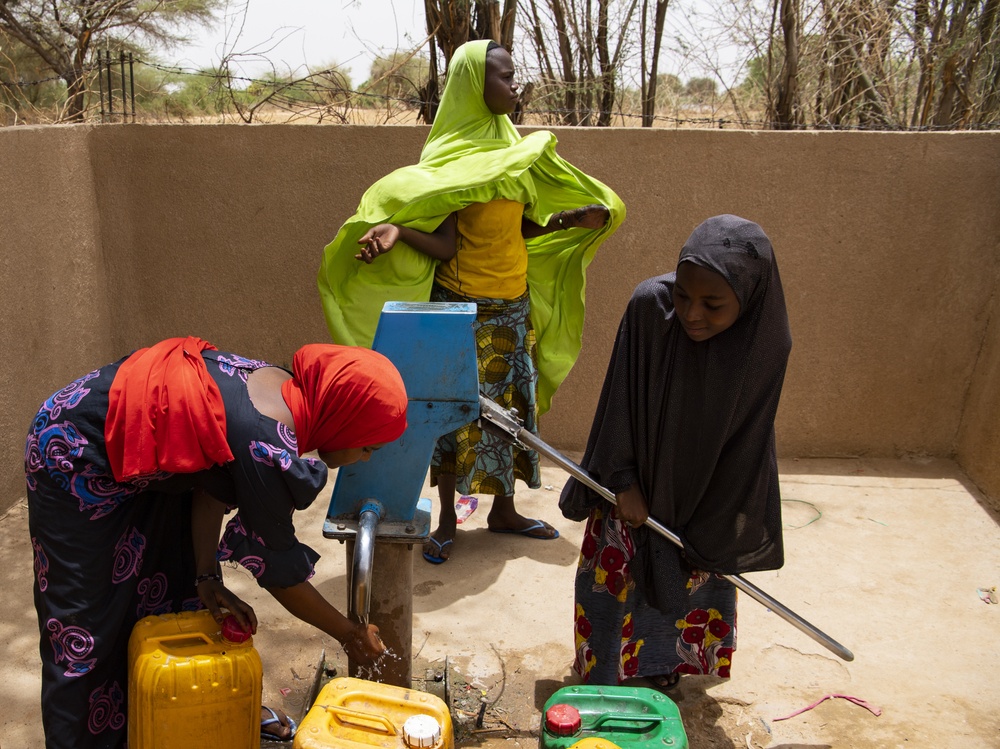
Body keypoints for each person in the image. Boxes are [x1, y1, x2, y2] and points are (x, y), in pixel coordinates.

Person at [318, 40, 625, 563]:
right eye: (503, 77)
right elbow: (447, 246)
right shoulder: (454, 162)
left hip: (513, 307)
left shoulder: (516, 155)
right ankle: (444, 520)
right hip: (463, 313)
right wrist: (398, 229)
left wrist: (566, 220)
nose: (514, 86)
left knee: (509, 416)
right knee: (456, 415)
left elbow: (517, 228)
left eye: (513, 75)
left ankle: (504, 511)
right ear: (471, 86)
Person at [25, 336, 408, 748]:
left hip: (147, 456)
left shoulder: (282, 391)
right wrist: (349, 634)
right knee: (85, 627)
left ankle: (176, 713)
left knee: (171, 585)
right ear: (342, 418)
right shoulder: (267, 446)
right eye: (367, 447)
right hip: (73, 451)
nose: (365, 458)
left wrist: (206, 575)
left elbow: (213, 486)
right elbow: (278, 571)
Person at [558, 215, 791, 689]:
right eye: (683, 294)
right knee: (618, 582)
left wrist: (717, 519)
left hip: (709, 491)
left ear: (747, 301)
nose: (691, 314)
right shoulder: (649, 308)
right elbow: (619, 400)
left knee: (693, 578)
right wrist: (623, 481)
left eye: (713, 304)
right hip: (634, 486)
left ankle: (666, 669)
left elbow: (748, 440)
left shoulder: (766, 346)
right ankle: (605, 674)